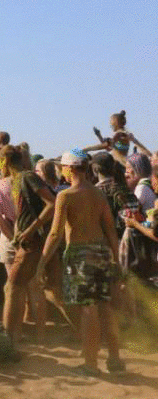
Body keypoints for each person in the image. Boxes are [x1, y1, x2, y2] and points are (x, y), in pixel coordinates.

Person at [38, 150, 124, 375]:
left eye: (63, 167)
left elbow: (55, 233)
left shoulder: (66, 196)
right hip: (101, 252)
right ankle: (115, 359)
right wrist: (116, 258)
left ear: (70, 169)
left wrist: (41, 262)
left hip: (80, 255)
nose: (61, 171)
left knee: (88, 310)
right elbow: (110, 229)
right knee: (105, 307)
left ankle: (90, 364)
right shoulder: (98, 193)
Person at [0, 145, 56, 341]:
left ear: (5, 162)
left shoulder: (27, 177)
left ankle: (7, 339)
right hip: (27, 241)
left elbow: (52, 203)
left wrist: (30, 230)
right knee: (27, 288)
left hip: (32, 242)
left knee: (12, 287)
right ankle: (14, 336)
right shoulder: (16, 180)